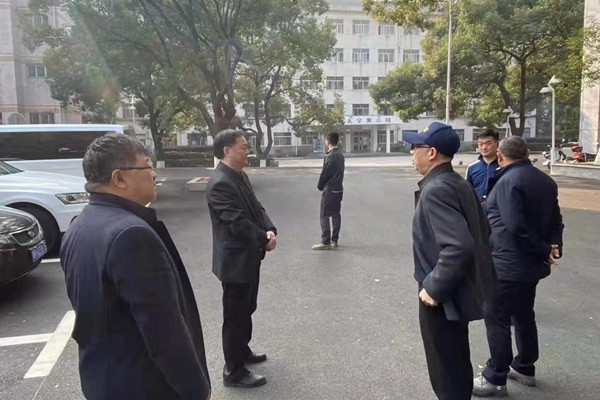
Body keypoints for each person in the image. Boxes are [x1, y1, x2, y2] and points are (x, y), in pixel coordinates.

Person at [60, 134, 211, 400]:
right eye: (147, 166)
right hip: (144, 385)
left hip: (102, 379)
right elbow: (164, 331)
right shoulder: (131, 234)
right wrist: (196, 390)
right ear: (119, 178)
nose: (154, 174)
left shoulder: (79, 225)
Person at [403, 122, 498, 400]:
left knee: (445, 367)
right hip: (458, 287)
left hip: (442, 294)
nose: (411, 152)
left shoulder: (437, 189)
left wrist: (433, 287)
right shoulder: (456, 182)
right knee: (455, 358)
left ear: (431, 152)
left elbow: (459, 245)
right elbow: (484, 231)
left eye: (415, 147)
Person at [473, 136, 564, 397]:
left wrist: (545, 249)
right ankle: (524, 366)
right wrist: (553, 246)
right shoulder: (545, 181)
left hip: (507, 263)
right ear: (527, 153)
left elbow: (515, 227)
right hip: (529, 264)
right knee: (523, 314)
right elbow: (556, 220)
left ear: (500, 157)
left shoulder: (507, 182)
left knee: (497, 317)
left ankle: (495, 376)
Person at [206, 129, 277, 388]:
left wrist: (270, 228)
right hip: (234, 262)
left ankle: (242, 351)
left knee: (247, 309)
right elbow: (237, 222)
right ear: (227, 151)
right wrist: (263, 239)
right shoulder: (220, 183)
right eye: (243, 147)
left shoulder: (239, 175)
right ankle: (233, 371)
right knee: (235, 317)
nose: (248, 151)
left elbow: (255, 207)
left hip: (248, 257)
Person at [312, 132, 345, 250]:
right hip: (339, 189)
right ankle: (334, 240)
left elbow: (325, 174)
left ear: (328, 141)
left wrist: (320, 186)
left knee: (324, 215)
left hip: (330, 189)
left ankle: (325, 241)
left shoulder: (329, 156)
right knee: (336, 214)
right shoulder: (341, 155)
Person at [466, 129, 500, 203]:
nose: (484, 147)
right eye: (480, 144)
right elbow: (468, 193)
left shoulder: (503, 166)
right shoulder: (472, 168)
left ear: (497, 144)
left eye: (488, 143)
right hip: (478, 208)